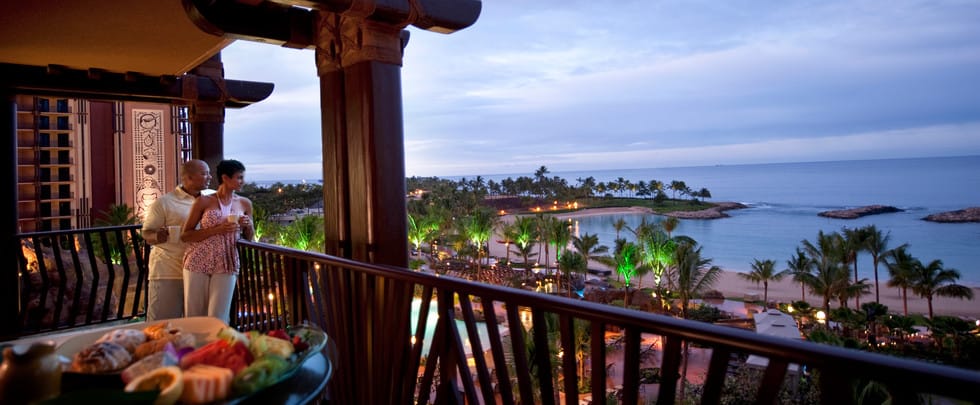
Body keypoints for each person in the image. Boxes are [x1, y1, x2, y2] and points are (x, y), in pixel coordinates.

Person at [180, 159, 254, 323]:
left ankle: (219, 348)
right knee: (194, 314)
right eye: (239, 177)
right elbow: (186, 235)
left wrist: (248, 225)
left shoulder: (244, 203)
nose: (242, 181)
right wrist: (217, 229)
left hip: (227, 263)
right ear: (225, 178)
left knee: (219, 316)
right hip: (197, 261)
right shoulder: (204, 201)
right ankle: (195, 348)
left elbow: (250, 238)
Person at [141, 160, 212, 321]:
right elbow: (146, 232)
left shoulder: (211, 199)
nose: (209, 177)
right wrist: (157, 236)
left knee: (196, 323)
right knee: (162, 321)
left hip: (200, 270)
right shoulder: (165, 202)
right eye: (204, 173)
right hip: (169, 269)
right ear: (188, 178)